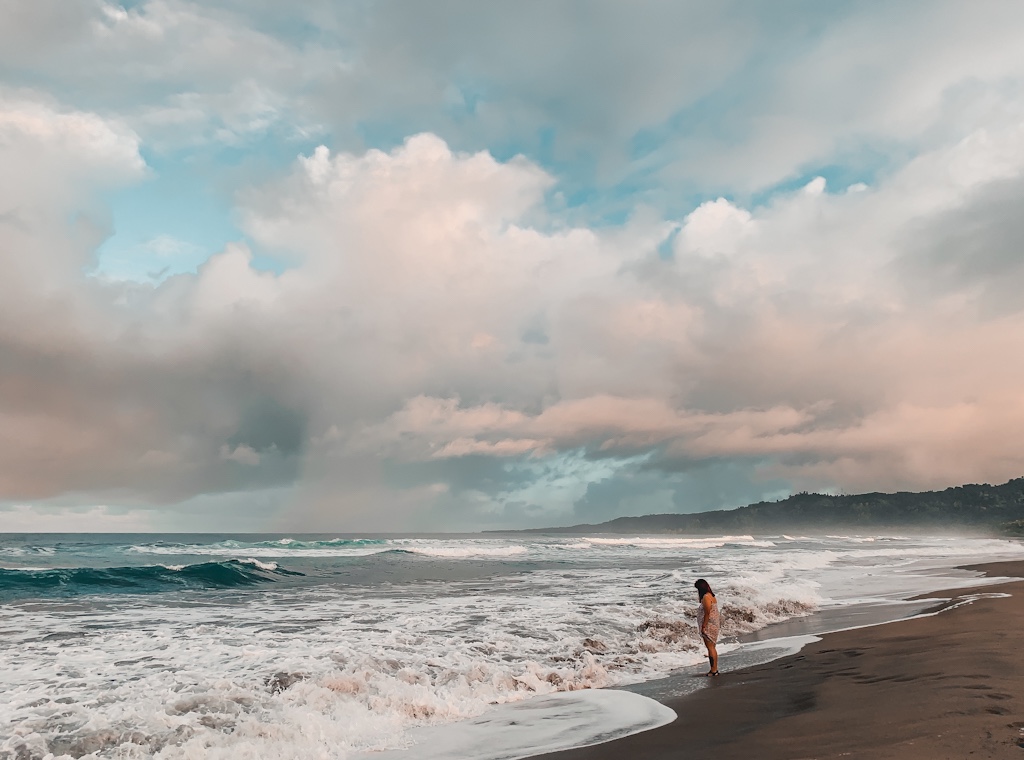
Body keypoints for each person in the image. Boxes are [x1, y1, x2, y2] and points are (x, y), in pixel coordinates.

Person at [694, 578, 720, 675]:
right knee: (712, 647)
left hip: (709, 625)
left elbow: (707, 613)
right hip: (713, 623)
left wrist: (704, 626)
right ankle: (714, 669)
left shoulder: (706, 597)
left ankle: (713, 670)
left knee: (710, 648)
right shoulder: (711, 596)